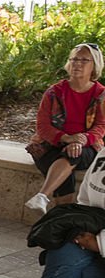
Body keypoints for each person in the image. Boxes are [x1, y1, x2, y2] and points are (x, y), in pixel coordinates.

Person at [25, 43, 104, 214]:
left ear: (95, 64)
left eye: (84, 60)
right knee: (65, 168)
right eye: (74, 59)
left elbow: (101, 126)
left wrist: (80, 140)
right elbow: (42, 125)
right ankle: (59, 224)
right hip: (50, 144)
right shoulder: (54, 92)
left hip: (87, 146)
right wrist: (67, 138)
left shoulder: (101, 94)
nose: (78, 64)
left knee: (73, 153)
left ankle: (42, 196)